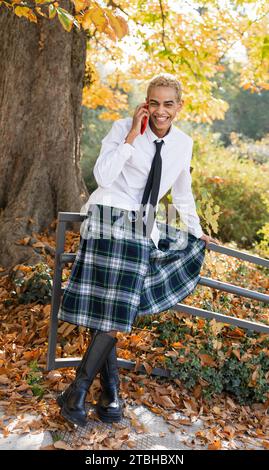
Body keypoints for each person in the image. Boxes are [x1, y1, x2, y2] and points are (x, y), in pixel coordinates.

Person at [56, 73, 219, 427]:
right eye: (154, 103)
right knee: (116, 312)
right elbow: (102, 176)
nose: (160, 111)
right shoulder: (121, 128)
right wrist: (131, 135)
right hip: (108, 217)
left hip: (140, 227)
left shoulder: (184, 144)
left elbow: (182, 193)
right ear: (145, 103)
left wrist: (197, 231)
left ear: (180, 106)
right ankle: (103, 393)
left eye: (168, 104)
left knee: (115, 311)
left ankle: (85, 393)